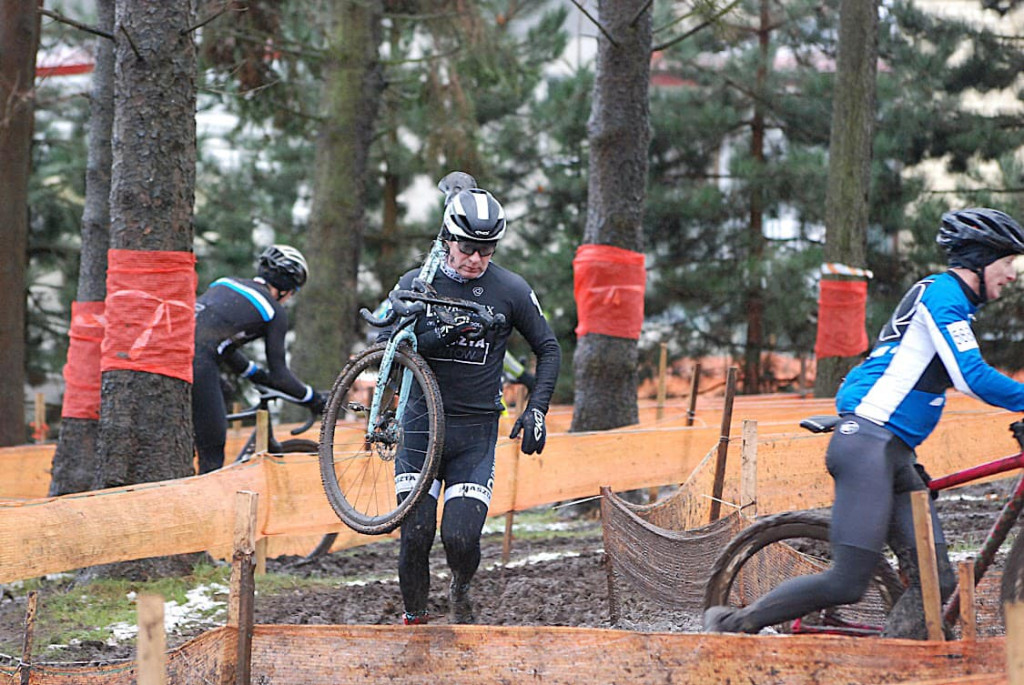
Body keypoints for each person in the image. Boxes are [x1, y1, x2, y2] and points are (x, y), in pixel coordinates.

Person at [704, 207, 1024, 638]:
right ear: (981, 260)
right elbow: (973, 377)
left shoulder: (956, 305)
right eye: (1008, 264)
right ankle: (731, 624)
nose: (1012, 276)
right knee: (847, 581)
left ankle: (894, 660)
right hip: (868, 446)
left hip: (894, 454)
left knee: (938, 583)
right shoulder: (942, 297)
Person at [385, 183, 561, 625]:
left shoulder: (511, 289)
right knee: (416, 535)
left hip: (474, 434)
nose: (476, 259)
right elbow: (386, 355)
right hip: (421, 428)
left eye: (487, 250)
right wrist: (440, 332)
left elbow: (549, 348)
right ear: (447, 238)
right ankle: (416, 622)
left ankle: (461, 584)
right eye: (467, 248)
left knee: (460, 538)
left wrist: (536, 408)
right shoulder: (416, 282)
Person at [192, 244, 327, 475]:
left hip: (174, 351)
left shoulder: (224, 283)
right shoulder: (273, 310)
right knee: (212, 454)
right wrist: (313, 399)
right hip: (199, 363)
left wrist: (254, 374)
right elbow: (281, 376)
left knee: (220, 395)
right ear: (286, 289)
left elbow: (219, 341)